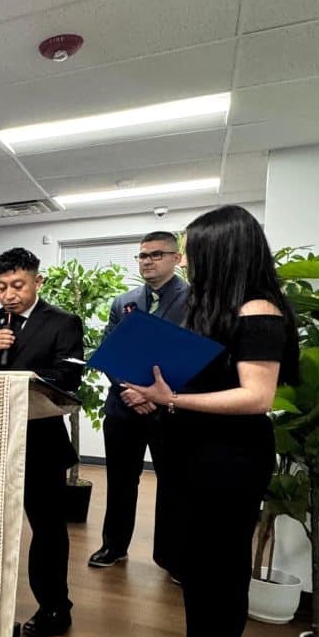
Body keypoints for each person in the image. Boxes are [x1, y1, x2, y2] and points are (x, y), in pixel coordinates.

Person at [124, 205, 298, 637]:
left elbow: (255, 397)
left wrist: (171, 399)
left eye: (196, 253)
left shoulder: (259, 310)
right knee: (196, 567)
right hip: (195, 452)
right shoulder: (217, 308)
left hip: (232, 458)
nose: (190, 263)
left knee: (222, 573)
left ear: (225, 252)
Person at [0, 248, 84, 637]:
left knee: (47, 529)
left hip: (42, 444)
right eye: (1, 287)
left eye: (18, 285)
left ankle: (54, 608)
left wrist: (19, 374)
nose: (9, 294)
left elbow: (68, 378)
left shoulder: (64, 322)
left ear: (37, 281)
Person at [88, 232, 189, 572]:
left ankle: (173, 558)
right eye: (143, 255)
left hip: (170, 411)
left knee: (173, 485)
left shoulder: (195, 300)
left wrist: (154, 394)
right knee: (120, 481)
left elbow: (193, 359)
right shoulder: (124, 302)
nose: (148, 260)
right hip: (124, 407)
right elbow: (110, 352)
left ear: (177, 259)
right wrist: (130, 390)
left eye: (157, 254)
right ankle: (113, 546)